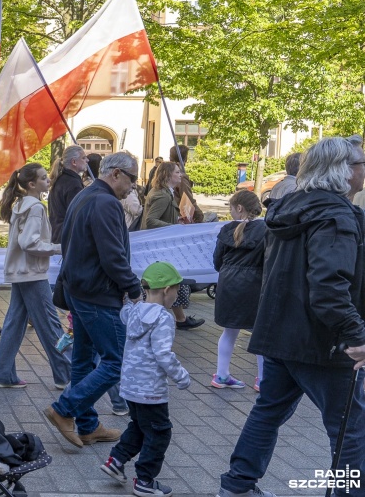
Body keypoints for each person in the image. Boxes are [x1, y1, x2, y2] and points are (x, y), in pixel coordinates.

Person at [217, 137, 365, 497]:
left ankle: (237, 486)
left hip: (281, 332)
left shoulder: (292, 207)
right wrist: (356, 336)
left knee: (268, 411)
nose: (364, 169)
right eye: (361, 163)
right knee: (350, 429)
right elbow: (328, 287)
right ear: (343, 171)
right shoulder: (334, 216)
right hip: (321, 341)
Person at [45, 151, 142, 448]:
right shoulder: (105, 202)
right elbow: (112, 255)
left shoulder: (86, 195)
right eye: (132, 179)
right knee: (116, 361)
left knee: (84, 361)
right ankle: (64, 409)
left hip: (80, 290)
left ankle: (87, 426)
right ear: (116, 173)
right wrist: (133, 287)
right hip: (97, 294)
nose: (133, 186)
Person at [101, 261, 191, 497]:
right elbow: (163, 354)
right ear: (166, 290)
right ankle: (144, 481)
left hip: (130, 387)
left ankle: (116, 460)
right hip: (151, 391)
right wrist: (181, 376)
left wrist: (130, 299)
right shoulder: (164, 318)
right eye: (177, 291)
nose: (177, 297)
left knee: (140, 426)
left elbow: (124, 311)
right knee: (160, 433)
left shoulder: (134, 311)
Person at [0, 163, 69, 389]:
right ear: (32, 184)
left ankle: (3, 374)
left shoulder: (22, 204)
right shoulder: (35, 207)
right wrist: (58, 248)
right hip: (31, 273)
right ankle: (65, 375)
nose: (48, 180)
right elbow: (29, 243)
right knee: (50, 324)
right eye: (43, 178)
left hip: (22, 272)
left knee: (15, 323)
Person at [211, 190, 265, 391]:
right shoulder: (266, 230)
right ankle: (263, 380)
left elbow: (217, 261)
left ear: (239, 208)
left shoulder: (226, 230)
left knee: (229, 331)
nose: (230, 212)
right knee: (259, 333)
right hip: (255, 285)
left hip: (228, 284)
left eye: (231, 208)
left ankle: (222, 375)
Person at [141, 162, 204, 330]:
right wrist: (174, 227)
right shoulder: (162, 195)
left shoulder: (164, 192)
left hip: (159, 245)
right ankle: (173, 319)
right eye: (177, 172)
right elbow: (151, 220)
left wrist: (176, 220)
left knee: (166, 282)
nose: (180, 175)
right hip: (160, 246)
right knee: (168, 282)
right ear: (168, 175)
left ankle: (178, 318)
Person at [48, 145, 87, 243]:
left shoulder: (60, 179)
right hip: (68, 236)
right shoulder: (73, 184)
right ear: (74, 162)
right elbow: (78, 215)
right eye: (83, 158)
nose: (87, 160)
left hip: (57, 234)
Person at [168, 145, 204, 223]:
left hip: (171, 215)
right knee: (212, 217)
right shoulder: (180, 177)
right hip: (179, 217)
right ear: (185, 159)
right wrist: (199, 215)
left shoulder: (166, 173)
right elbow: (189, 199)